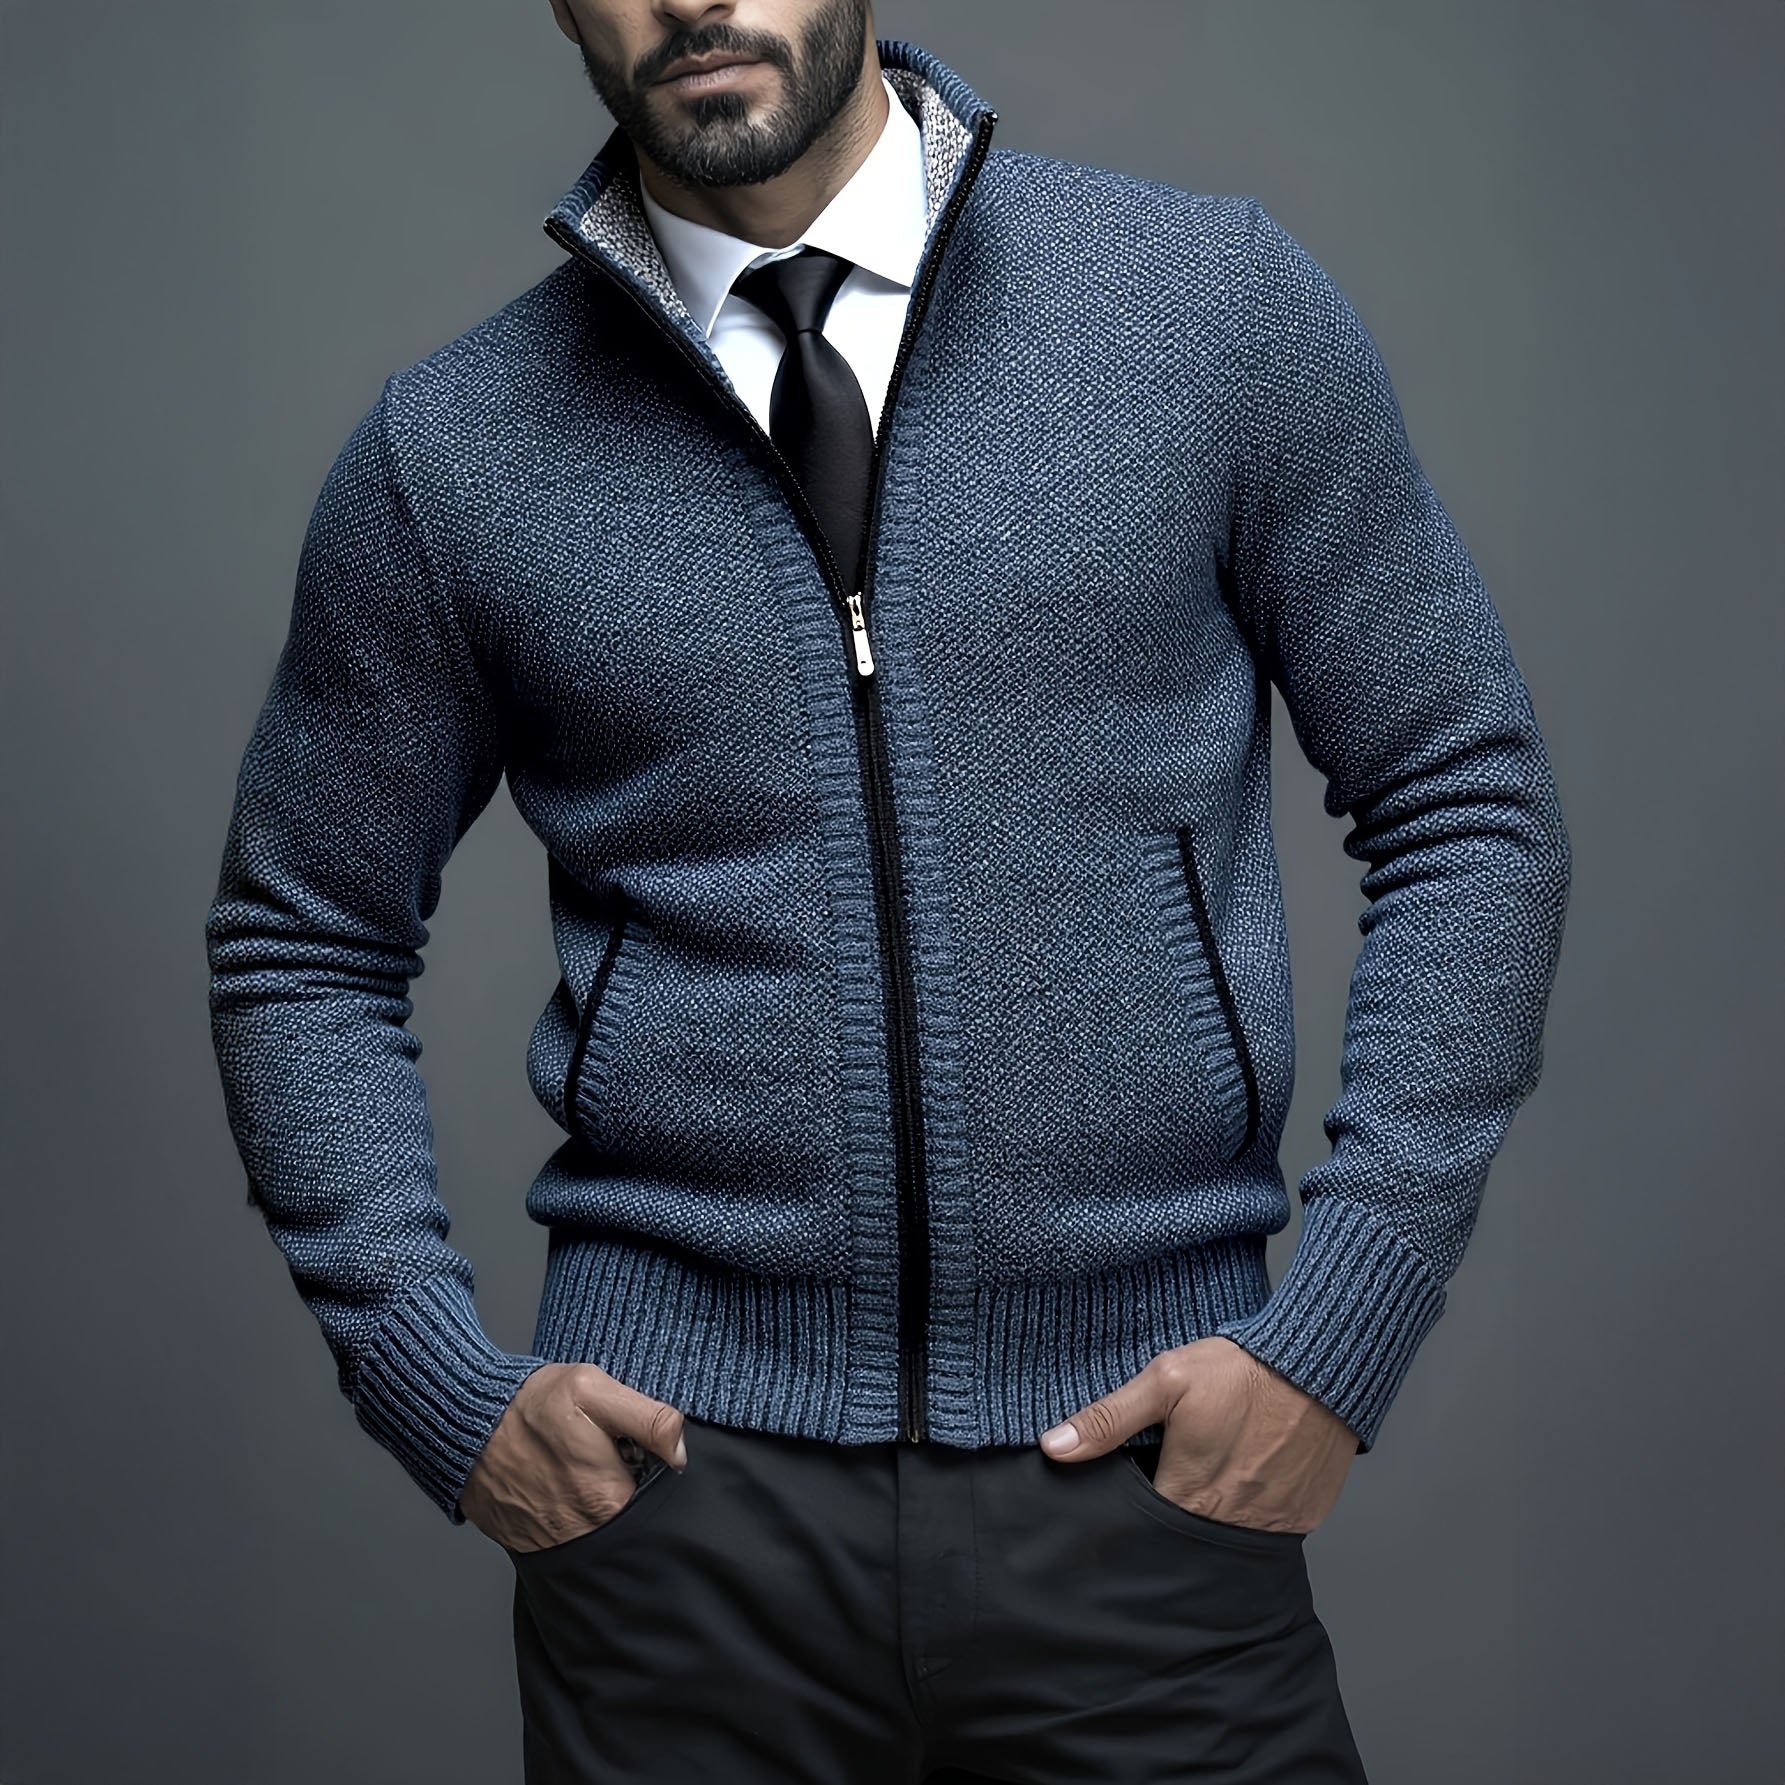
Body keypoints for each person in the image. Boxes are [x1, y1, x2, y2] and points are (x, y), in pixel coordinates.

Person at [203, 2, 1573, 1779]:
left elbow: (1463, 794)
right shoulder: (454, 450)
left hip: (1146, 1483)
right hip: (680, 1532)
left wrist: (1337, 1332)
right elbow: (299, 937)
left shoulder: (1207, 313)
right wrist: (434, 1380)